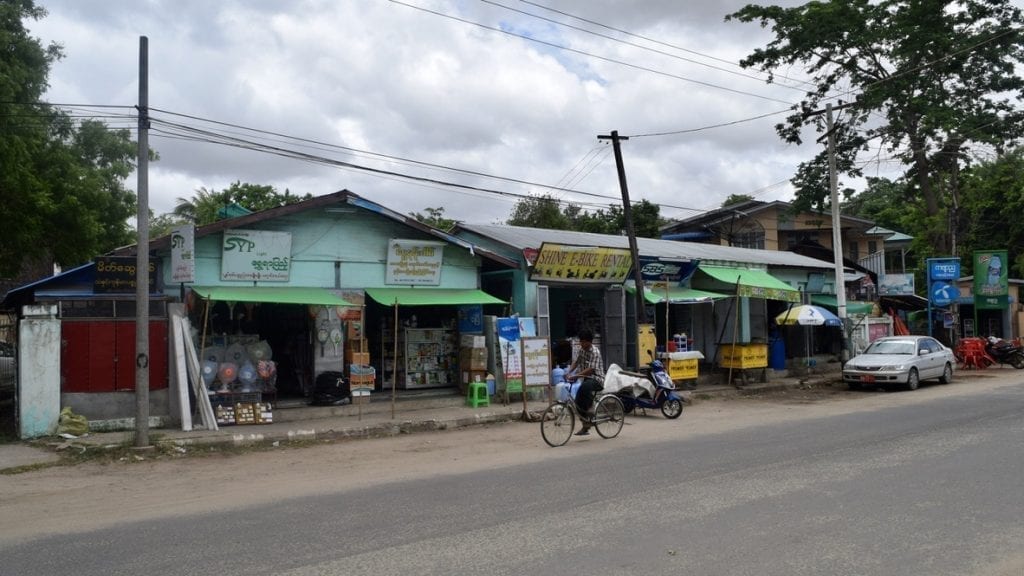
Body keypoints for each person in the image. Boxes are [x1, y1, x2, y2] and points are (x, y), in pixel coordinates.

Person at [567, 328, 604, 436]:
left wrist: (576, 376)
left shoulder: (595, 352)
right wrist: (568, 372)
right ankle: (586, 425)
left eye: (583, 341)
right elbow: (576, 362)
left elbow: (590, 370)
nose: (581, 343)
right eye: (580, 341)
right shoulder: (581, 350)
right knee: (577, 402)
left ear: (589, 342)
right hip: (586, 379)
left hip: (597, 379)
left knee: (585, 387)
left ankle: (590, 409)